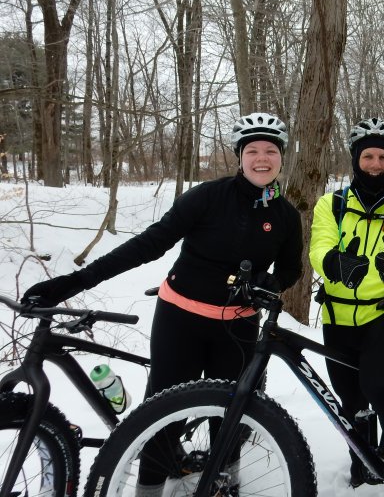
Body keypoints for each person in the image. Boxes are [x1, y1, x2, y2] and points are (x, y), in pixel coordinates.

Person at [22, 112, 303, 496]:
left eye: (270, 150)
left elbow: (290, 269)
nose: (262, 158)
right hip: (181, 319)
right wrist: (72, 283)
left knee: (230, 416)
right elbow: (150, 244)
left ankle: (226, 485)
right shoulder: (207, 197)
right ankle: (150, 490)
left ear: (282, 157)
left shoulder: (286, 216)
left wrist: (273, 283)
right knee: (162, 414)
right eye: (252, 150)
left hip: (238, 326)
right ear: (240, 156)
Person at [309, 117, 384, 492]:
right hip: (338, 316)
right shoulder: (332, 204)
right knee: (351, 399)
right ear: (355, 159)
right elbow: (319, 247)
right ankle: (363, 465)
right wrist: (335, 263)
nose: (375, 164)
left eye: (382, 157)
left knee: (377, 387)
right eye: (368, 157)